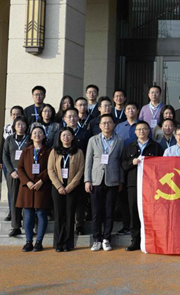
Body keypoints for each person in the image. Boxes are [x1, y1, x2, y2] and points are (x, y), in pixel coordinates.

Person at [121, 120, 164, 251]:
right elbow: (123, 164)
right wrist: (132, 162)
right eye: (139, 129)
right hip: (133, 184)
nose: (142, 131)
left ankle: (152, 240)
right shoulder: (129, 147)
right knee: (134, 211)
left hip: (151, 185)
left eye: (144, 129)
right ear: (135, 132)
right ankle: (135, 240)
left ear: (148, 131)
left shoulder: (156, 147)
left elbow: (161, 166)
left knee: (151, 211)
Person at [85, 114, 125, 252]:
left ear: (114, 125)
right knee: (96, 212)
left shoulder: (119, 141)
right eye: (104, 123)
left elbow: (121, 162)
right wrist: (87, 180)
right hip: (96, 180)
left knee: (109, 211)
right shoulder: (93, 140)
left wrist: (120, 180)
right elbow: (88, 161)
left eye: (109, 122)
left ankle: (106, 239)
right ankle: (97, 239)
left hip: (112, 180)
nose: (107, 125)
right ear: (100, 125)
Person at [47, 127, 85, 252]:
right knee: (59, 215)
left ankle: (68, 244)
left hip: (72, 188)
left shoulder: (78, 152)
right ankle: (58, 243)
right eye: (63, 135)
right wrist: (59, 186)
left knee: (69, 215)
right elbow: (50, 170)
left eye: (68, 135)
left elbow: (80, 170)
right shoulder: (54, 152)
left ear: (73, 137)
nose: (66, 138)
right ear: (60, 137)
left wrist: (70, 186)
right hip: (57, 188)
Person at [17, 126, 52, 252]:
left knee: (41, 214)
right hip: (27, 187)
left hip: (42, 186)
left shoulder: (49, 151)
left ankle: (39, 242)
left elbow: (50, 168)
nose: (37, 135)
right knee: (28, 215)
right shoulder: (26, 151)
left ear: (44, 135)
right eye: (35, 133)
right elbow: (20, 168)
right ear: (31, 136)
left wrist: (41, 180)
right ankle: (28, 242)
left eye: (40, 133)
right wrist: (27, 182)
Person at [59, 107, 91, 235]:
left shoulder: (85, 133)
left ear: (78, 118)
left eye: (74, 116)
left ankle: (79, 224)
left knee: (80, 200)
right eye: (69, 116)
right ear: (64, 119)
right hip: (63, 172)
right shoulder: (61, 133)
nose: (72, 119)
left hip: (80, 171)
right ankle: (66, 224)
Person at [2, 116, 30, 237]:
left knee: (27, 200)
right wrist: (11, 171)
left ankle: (29, 226)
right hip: (13, 174)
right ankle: (16, 226)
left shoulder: (29, 139)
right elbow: (5, 156)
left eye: (23, 124)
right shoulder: (9, 139)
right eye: (18, 124)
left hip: (26, 174)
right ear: (14, 126)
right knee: (14, 199)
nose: (21, 127)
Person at [0, 105, 24, 221]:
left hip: (22, 165)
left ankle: (22, 212)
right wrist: (0, 160)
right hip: (8, 163)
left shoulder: (25, 128)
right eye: (13, 114)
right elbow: (2, 145)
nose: (15, 116)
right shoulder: (7, 128)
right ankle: (11, 211)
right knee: (11, 189)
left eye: (18, 114)